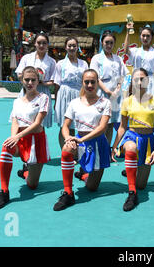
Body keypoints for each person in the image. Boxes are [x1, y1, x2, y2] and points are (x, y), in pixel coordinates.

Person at [0, 66, 51, 209]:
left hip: (36, 142)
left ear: (38, 81)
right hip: (20, 140)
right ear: (21, 80)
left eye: (33, 80)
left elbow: (37, 123)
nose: (30, 82)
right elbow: (15, 121)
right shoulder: (17, 101)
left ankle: (26, 172)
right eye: (27, 79)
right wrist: (13, 138)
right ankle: (4, 191)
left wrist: (17, 136)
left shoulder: (43, 98)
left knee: (32, 185)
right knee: (6, 147)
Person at [53, 69, 111, 211]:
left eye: (93, 82)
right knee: (67, 149)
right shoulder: (74, 103)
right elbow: (65, 126)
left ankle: (84, 175)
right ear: (82, 83)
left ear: (98, 83)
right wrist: (68, 139)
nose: (90, 85)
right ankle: (68, 193)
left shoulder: (105, 103)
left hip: (98, 144)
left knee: (92, 188)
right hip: (79, 143)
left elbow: (102, 128)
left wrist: (82, 139)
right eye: (87, 82)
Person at [111, 68, 154, 211]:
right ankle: (132, 194)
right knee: (131, 148)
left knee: (142, 185)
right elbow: (122, 127)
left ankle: (130, 171)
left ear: (147, 80)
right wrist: (114, 146)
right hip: (131, 136)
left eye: (142, 79)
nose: (139, 82)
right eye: (136, 79)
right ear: (132, 82)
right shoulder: (127, 101)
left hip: (148, 141)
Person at [90, 30, 128, 146]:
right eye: (107, 42)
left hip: (115, 94)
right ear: (102, 43)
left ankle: (107, 149)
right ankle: (97, 147)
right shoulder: (96, 58)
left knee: (111, 122)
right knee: (100, 121)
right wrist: (107, 91)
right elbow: (95, 77)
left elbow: (122, 75)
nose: (109, 45)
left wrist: (118, 88)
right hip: (101, 92)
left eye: (111, 43)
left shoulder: (118, 59)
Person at [52, 37, 89, 148]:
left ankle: (76, 152)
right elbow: (57, 84)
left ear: (78, 47)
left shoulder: (84, 64)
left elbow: (86, 83)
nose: (72, 48)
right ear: (65, 47)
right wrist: (56, 100)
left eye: (74, 46)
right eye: (69, 45)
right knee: (65, 125)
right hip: (64, 95)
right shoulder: (60, 64)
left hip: (79, 94)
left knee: (77, 125)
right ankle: (65, 151)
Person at [15, 32, 56, 128]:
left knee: (40, 123)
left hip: (42, 91)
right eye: (39, 43)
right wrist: (29, 81)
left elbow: (53, 80)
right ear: (35, 43)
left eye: (44, 43)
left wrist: (43, 83)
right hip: (27, 91)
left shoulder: (51, 61)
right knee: (23, 120)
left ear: (47, 44)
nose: (41, 45)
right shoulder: (26, 58)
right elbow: (19, 74)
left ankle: (40, 142)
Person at [123, 22, 154, 99]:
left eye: (148, 36)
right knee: (137, 106)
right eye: (143, 35)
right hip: (137, 81)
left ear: (151, 37)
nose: (145, 38)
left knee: (149, 107)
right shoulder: (135, 51)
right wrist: (128, 31)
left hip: (150, 82)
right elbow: (126, 50)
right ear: (140, 36)